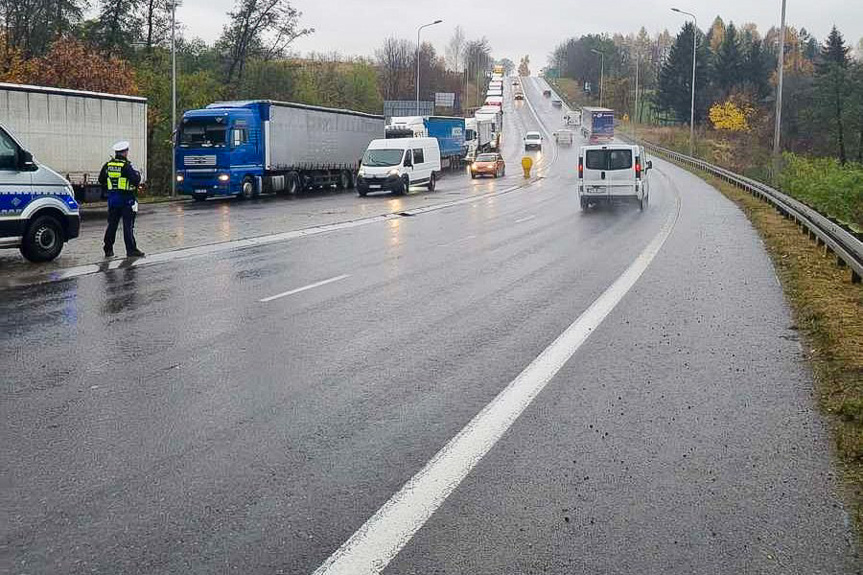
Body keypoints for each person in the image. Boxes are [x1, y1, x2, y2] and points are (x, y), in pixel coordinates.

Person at [99, 141, 144, 258]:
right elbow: (135, 180)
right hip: (126, 200)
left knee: (112, 225)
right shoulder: (125, 166)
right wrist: (138, 175)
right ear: (124, 152)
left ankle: (108, 249)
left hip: (113, 199)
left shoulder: (108, 165)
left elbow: (101, 179)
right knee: (128, 226)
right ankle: (131, 250)